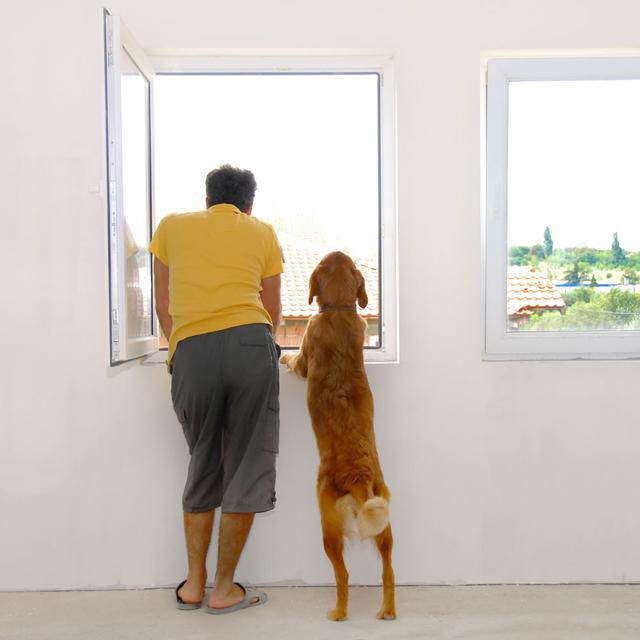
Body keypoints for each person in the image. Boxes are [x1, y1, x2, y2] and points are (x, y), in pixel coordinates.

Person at [149, 165, 283, 614]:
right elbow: (273, 308)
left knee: (203, 458)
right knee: (246, 463)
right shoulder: (262, 232)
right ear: (249, 205)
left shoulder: (171, 226)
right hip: (249, 344)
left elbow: (163, 303)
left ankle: (193, 585)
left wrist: (181, 345)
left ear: (207, 199)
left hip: (192, 351)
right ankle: (225, 589)